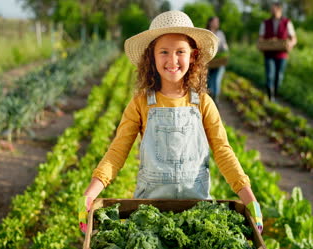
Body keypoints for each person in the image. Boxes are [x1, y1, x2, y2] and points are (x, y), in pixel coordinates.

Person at [82, 10, 263, 233]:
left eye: (180, 52)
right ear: (152, 56)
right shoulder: (141, 103)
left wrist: (249, 198)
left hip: (197, 211)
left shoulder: (203, 103)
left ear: (193, 56)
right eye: (164, 52)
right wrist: (91, 193)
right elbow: (117, 152)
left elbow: (223, 152)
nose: (172, 60)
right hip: (149, 212)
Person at [259, 2, 297, 102]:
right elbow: (261, 38)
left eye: (274, 9)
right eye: (271, 9)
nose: (272, 11)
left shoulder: (287, 22)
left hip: (282, 54)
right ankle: (270, 97)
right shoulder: (265, 22)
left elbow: (294, 39)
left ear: (279, 9)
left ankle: (275, 94)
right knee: (270, 75)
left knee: (279, 76)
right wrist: (264, 42)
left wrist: (291, 44)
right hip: (269, 54)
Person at [206, 16, 229, 106]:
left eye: (218, 22)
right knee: (209, 81)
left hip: (219, 61)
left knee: (217, 80)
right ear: (210, 22)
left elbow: (224, 45)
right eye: (215, 22)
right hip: (208, 61)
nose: (217, 24)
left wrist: (225, 49)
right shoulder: (206, 33)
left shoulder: (220, 34)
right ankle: (210, 100)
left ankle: (216, 99)